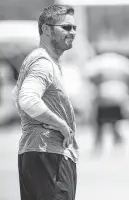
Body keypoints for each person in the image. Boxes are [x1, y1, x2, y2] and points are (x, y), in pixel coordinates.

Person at [12, 5, 78, 200]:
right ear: (46, 29)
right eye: (66, 27)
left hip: (40, 154)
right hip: (47, 155)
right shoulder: (42, 62)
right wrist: (62, 125)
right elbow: (27, 99)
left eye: (74, 28)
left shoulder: (45, 61)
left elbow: (16, 95)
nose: (72, 32)